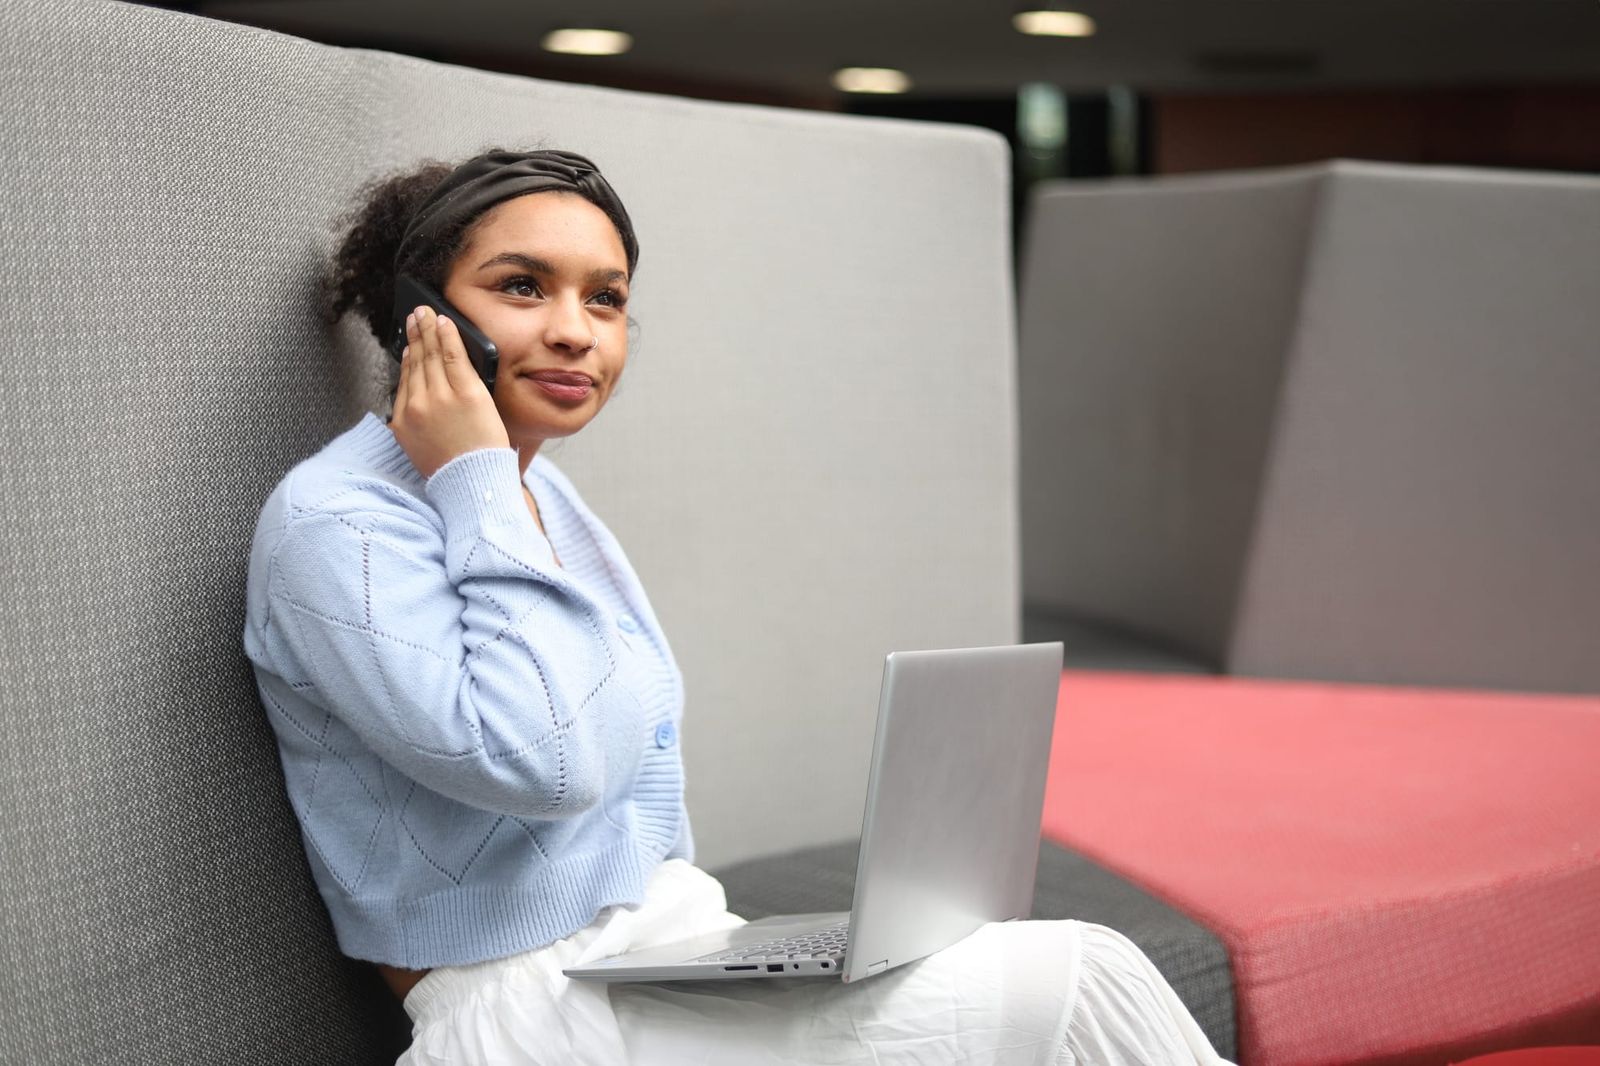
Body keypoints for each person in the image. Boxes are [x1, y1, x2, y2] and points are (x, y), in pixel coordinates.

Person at [244, 147, 1229, 1065]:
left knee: (1077, 976)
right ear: (420, 313)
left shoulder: (545, 496)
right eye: (520, 287)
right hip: (535, 1014)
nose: (575, 330)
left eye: (607, 298)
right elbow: (542, 761)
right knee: (1083, 974)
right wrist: (474, 477)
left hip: (673, 957)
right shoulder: (337, 522)